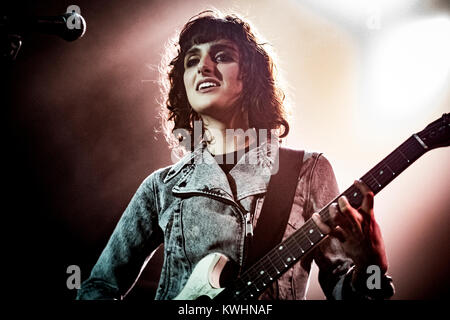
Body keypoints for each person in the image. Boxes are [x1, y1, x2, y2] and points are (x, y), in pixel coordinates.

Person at [76, 10, 394, 300]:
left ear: (250, 76)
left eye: (222, 56)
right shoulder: (161, 187)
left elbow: (349, 294)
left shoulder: (307, 172)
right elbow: (97, 288)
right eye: (192, 60)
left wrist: (373, 264)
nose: (203, 66)